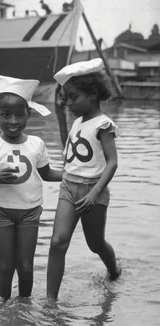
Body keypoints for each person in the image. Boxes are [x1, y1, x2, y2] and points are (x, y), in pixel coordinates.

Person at [0, 75, 62, 301]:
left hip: (30, 212)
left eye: (19, 115)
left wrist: (72, 174)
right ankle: (3, 309)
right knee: (4, 267)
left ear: (28, 115)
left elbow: (47, 174)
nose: (13, 121)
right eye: (5, 115)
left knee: (26, 267)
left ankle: (23, 307)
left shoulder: (36, 144)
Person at [46, 58, 121, 302]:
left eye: (73, 97)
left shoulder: (103, 124)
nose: (69, 103)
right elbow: (70, 150)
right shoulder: (78, 122)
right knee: (58, 242)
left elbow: (112, 162)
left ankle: (114, 271)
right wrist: (59, 113)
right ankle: (50, 301)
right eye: (66, 98)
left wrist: (94, 193)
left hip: (93, 191)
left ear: (93, 93)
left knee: (95, 243)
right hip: (69, 186)